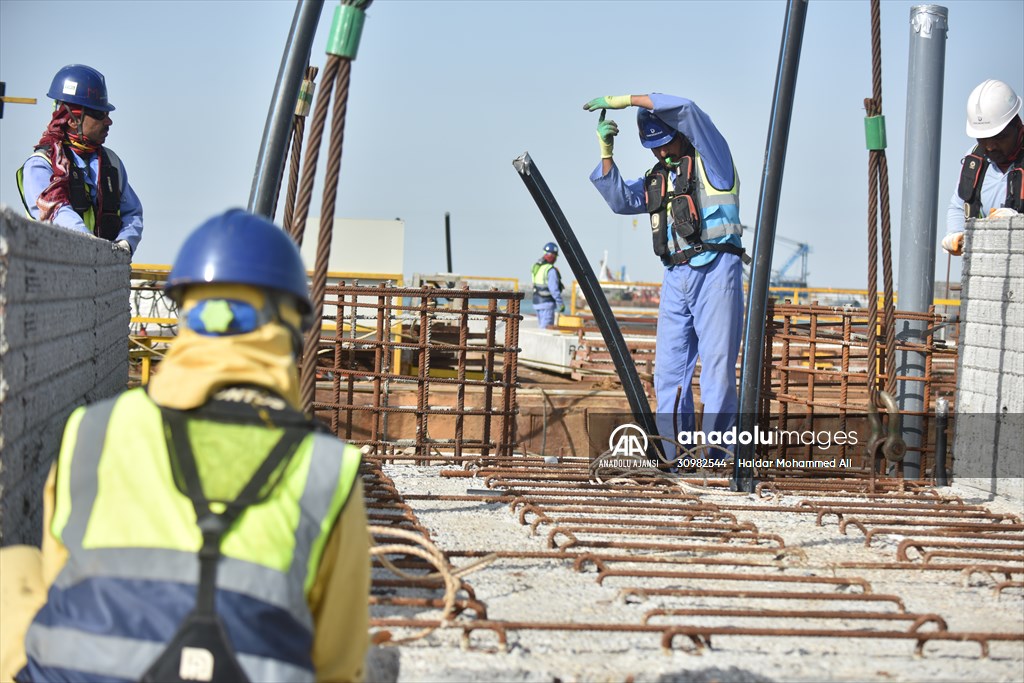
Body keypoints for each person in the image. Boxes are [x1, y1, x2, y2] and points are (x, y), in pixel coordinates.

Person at [1, 210, 370, 682]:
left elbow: (62, 582)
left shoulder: (93, 431)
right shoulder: (327, 468)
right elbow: (338, 662)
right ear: (291, 329)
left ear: (187, 313)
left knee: (14, 569)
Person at [583, 93, 747, 461]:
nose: (660, 153)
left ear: (681, 134)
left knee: (717, 370)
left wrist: (628, 99)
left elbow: (688, 109)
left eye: (665, 143)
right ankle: (676, 456)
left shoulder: (713, 162)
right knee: (669, 373)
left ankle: (717, 459)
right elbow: (621, 201)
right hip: (676, 276)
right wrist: (606, 153)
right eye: (653, 148)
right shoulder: (660, 178)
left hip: (717, 270)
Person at [16, 64, 143, 256]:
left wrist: (126, 242)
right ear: (73, 120)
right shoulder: (41, 165)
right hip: (55, 273)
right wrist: (90, 246)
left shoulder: (112, 163)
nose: (108, 122)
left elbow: (132, 213)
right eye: (100, 115)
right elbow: (55, 211)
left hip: (104, 275)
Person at [943, 79, 1023, 256]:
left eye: (999, 137)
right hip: (988, 271)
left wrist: (1017, 223)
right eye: (983, 138)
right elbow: (958, 206)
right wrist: (955, 233)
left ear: (1017, 126)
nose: (990, 146)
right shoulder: (975, 162)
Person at [532, 241, 565, 328]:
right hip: (547, 303)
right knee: (546, 329)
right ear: (553, 255)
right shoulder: (551, 270)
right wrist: (560, 303)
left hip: (536, 302)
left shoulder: (536, 267)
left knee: (541, 327)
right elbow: (553, 289)